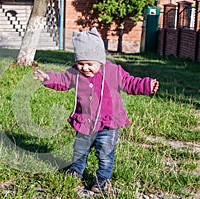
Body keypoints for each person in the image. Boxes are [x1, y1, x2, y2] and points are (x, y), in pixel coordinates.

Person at [34, 27, 159, 193]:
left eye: (89, 64)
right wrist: (48, 78)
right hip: (86, 121)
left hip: (108, 122)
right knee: (79, 149)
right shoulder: (74, 73)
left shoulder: (113, 71)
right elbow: (62, 81)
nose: (85, 68)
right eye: (81, 63)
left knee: (105, 152)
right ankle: (76, 170)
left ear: (100, 60)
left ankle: (102, 178)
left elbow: (130, 83)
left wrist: (146, 85)